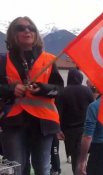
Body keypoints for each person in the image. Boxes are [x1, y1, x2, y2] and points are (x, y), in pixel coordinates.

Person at [0, 16, 64, 174]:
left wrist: (43, 88)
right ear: (12, 34)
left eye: (31, 28)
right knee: (15, 168)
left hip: (44, 123)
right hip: (13, 121)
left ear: (35, 33)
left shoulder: (48, 60)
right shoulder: (2, 60)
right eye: (21, 28)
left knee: (42, 168)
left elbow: (60, 89)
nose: (27, 30)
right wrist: (10, 90)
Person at [56, 68, 94, 174]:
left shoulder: (63, 92)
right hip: (86, 128)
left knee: (75, 156)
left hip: (69, 130)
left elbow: (59, 112)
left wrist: (58, 129)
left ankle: (77, 172)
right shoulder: (87, 90)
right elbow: (94, 108)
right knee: (84, 154)